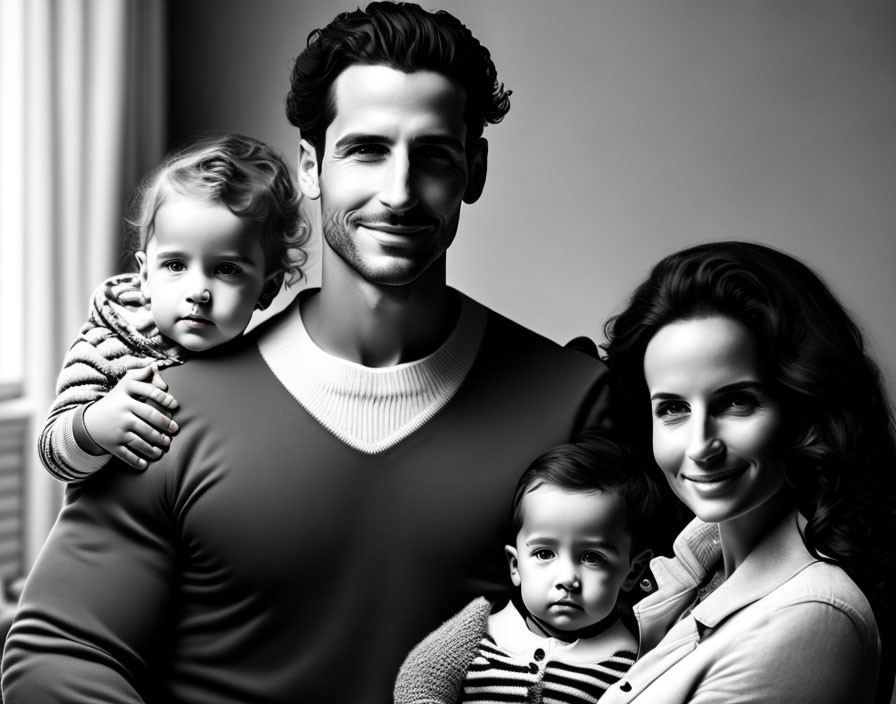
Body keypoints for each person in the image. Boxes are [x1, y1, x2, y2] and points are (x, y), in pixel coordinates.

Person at [1, 4, 614, 702]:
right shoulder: (162, 402)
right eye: (367, 150)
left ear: (473, 169)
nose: (399, 191)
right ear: (312, 165)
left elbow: (662, 648)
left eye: (434, 155)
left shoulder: (571, 404)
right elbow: (59, 655)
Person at [597, 241, 896, 704]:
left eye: (737, 401)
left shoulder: (808, 618)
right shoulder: (696, 577)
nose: (700, 446)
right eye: (672, 408)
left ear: (802, 409)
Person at [37, 132, 307, 481]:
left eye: (226, 270)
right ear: (145, 276)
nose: (198, 292)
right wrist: (94, 425)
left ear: (266, 289)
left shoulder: (262, 362)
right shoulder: (107, 346)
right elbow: (52, 453)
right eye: (176, 266)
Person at [394, 434, 659, 704]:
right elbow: (418, 686)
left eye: (592, 557)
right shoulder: (477, 633)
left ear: (633, 571)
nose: (567, 579)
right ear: (516, 565)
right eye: (544, 553)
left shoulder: (631, 668)